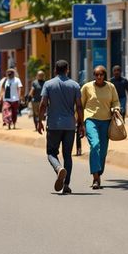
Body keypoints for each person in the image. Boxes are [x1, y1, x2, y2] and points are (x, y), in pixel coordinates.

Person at [35, 59, 84, 195]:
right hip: (69, 125)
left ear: (55, 70)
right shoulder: (74, 85)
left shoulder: (48, 84)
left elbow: (43, 104)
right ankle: (66, 184)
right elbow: (79, 106)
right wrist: (81, 124)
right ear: (67, 69)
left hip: (54, 124)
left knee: (51, 153)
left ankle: (58, 168)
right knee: (67, 155)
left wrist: (39, 121)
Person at [81, 65, 121, 190]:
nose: (99, 77)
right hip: (90, 119)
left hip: (106, 121)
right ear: (94, 75)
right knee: (95, 145)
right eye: (96, 75)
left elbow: (115, 101)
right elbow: (80, 105)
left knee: (103, 151)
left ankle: (99, 171)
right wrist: (79, 122)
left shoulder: (111, 87)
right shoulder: (87, 87)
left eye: (101, 74)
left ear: (104, 75)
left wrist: (116, 109)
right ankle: (95, 178)